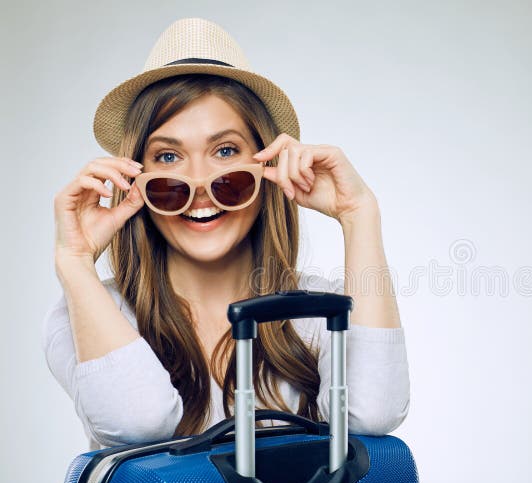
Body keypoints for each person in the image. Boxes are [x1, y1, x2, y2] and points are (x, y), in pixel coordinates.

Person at [41, 18, 409, 451]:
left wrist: (359, 213)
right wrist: (74, 261)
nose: (198, 183)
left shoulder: (319, 313)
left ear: (265, 164)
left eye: (226, 150)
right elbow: (140, 423)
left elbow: (374, 412)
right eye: (168, 156)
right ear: (134, 176)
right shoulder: (86, 314)